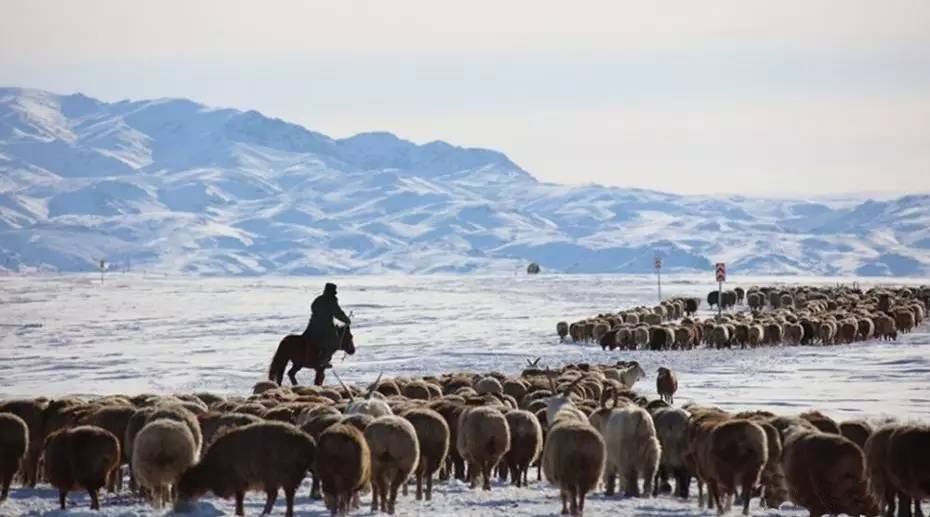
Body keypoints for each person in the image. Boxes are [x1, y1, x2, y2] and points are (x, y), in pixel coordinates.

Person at [303, 282, 351, 369]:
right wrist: (346, 320)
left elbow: (313, 308)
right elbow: (337, 312)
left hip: (312, 325)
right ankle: (324, 360)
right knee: (335, 343)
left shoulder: (318, 299)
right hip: (325, 326)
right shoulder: (331, 300)